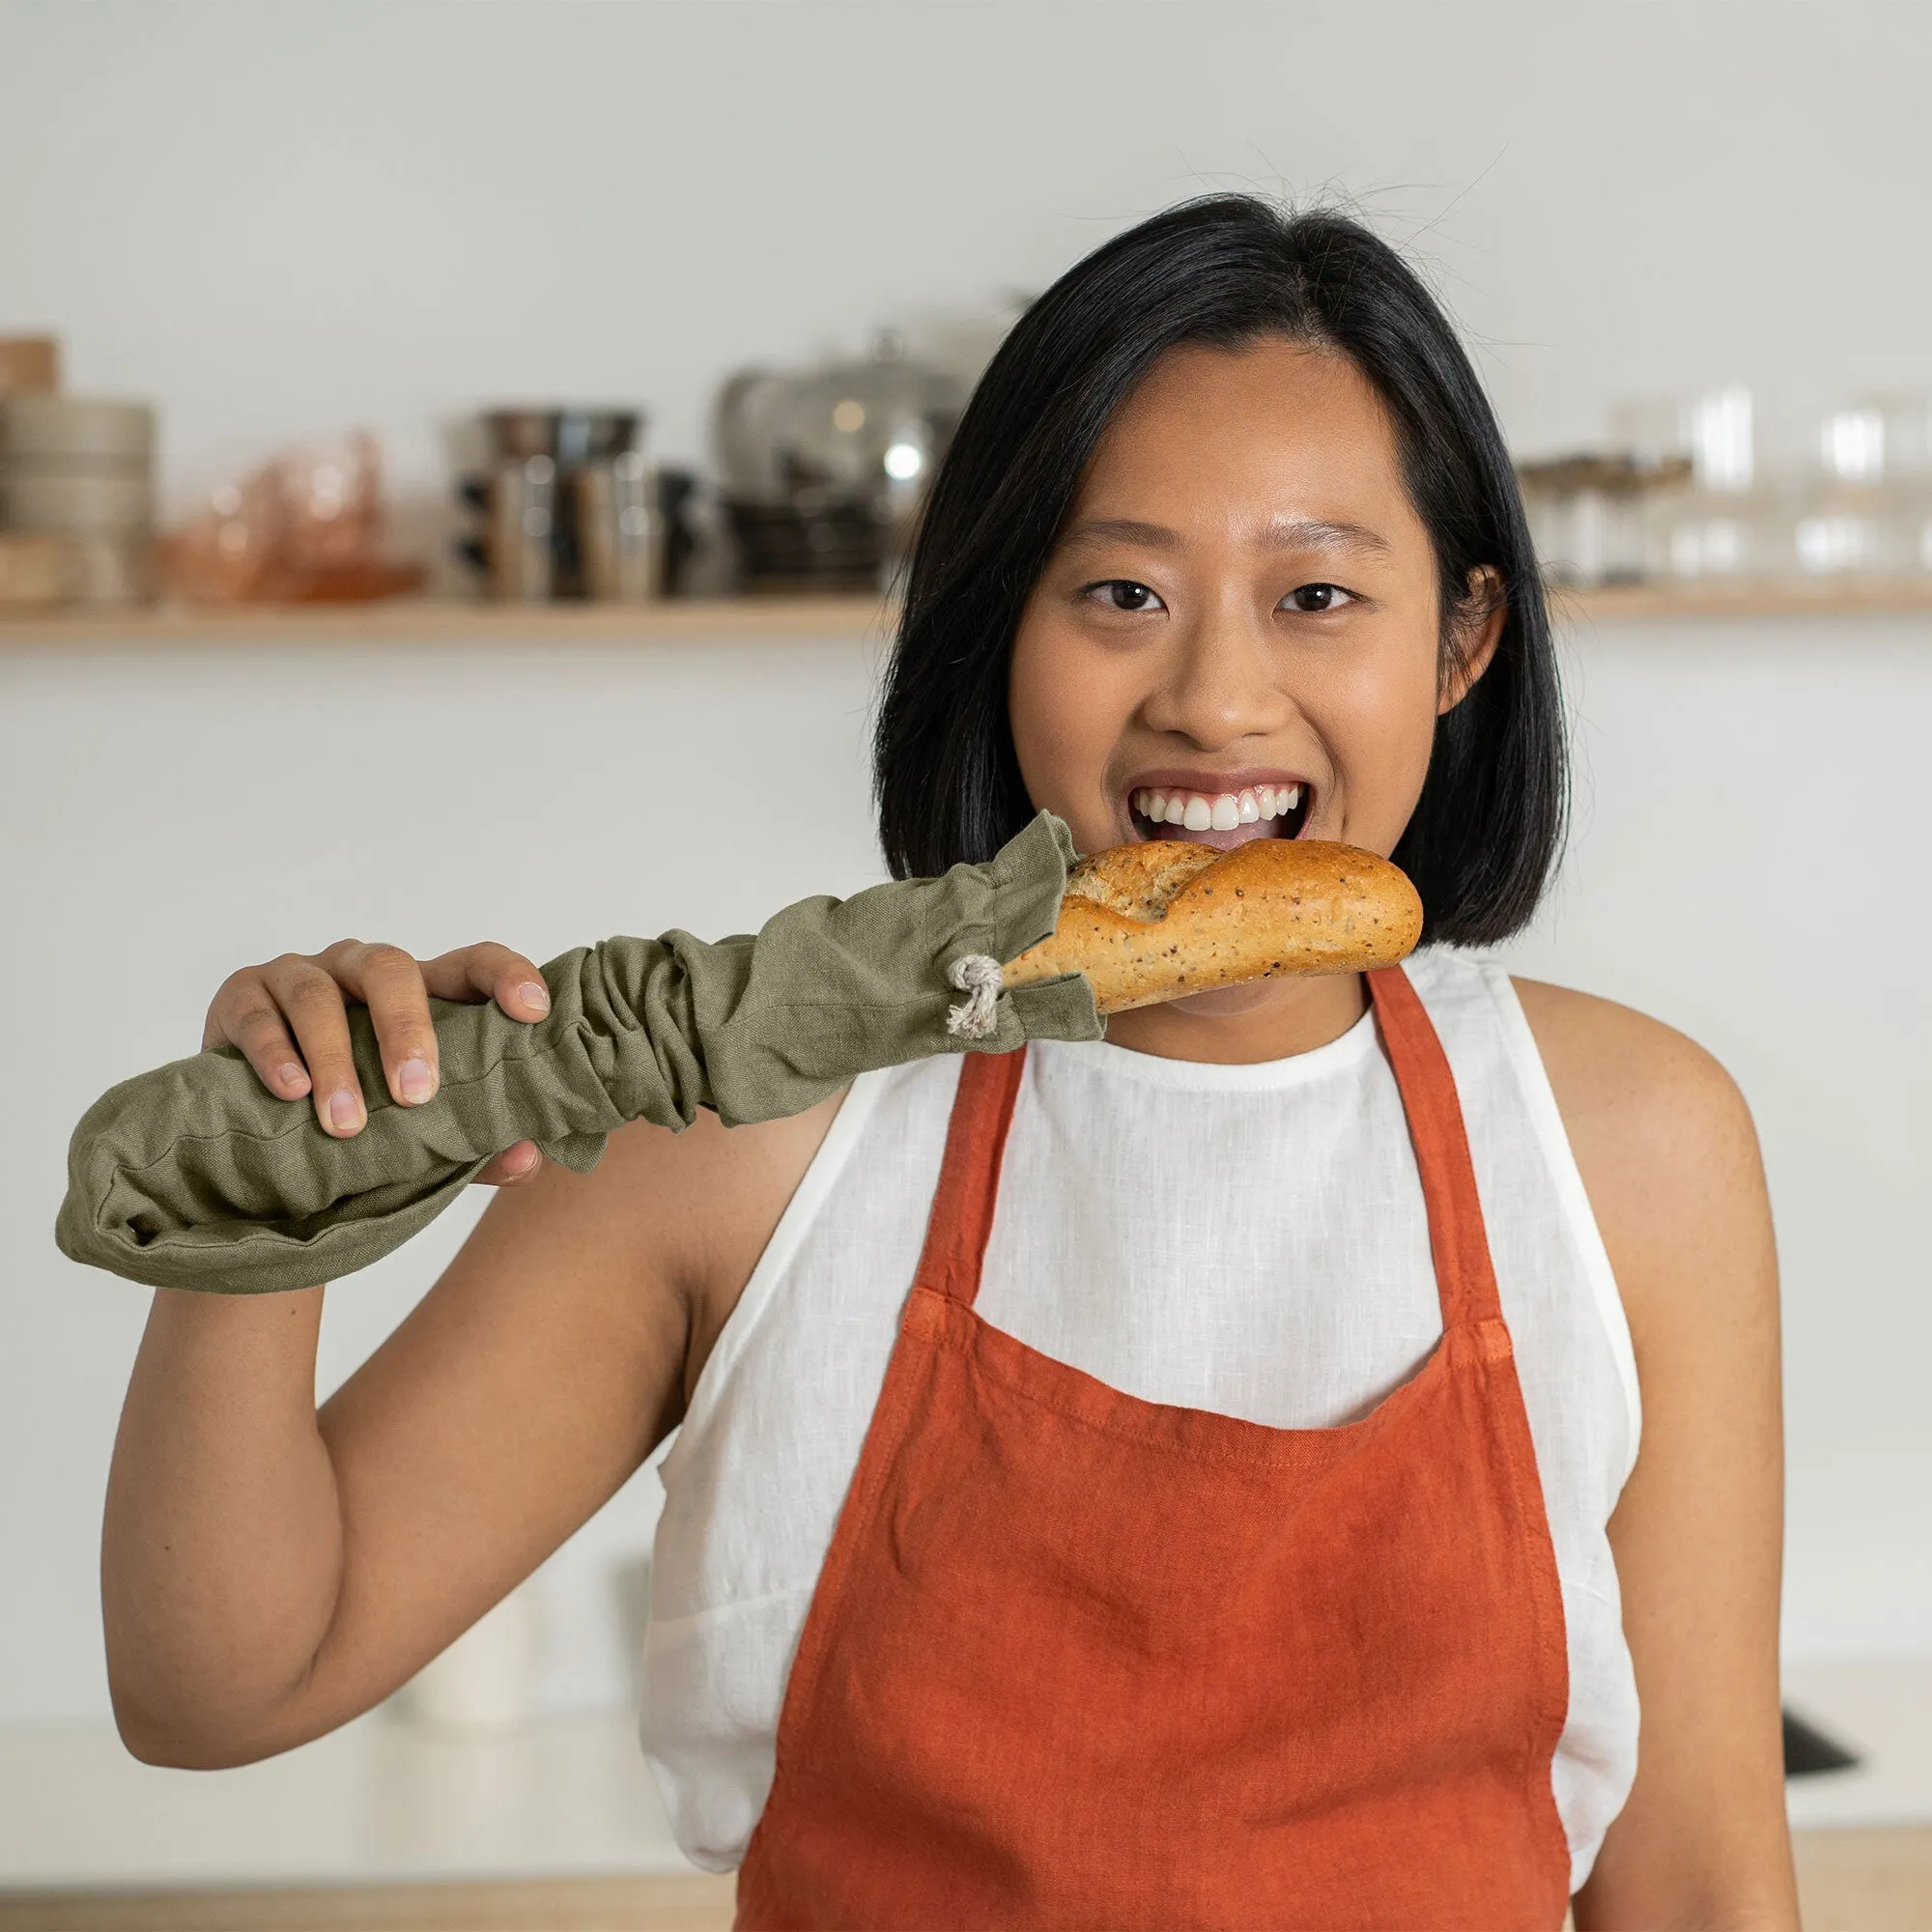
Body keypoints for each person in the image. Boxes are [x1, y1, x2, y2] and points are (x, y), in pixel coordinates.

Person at [99, 195, 1797, 1929]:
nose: (1218, 698)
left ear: (1462, 643)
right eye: (1122, 590)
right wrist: (276, 1175)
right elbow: (223, 1687)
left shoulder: (1635, 1146)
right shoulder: (744, 1132)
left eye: (1318, 594)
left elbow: (1704, 1887)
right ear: (999, 629)